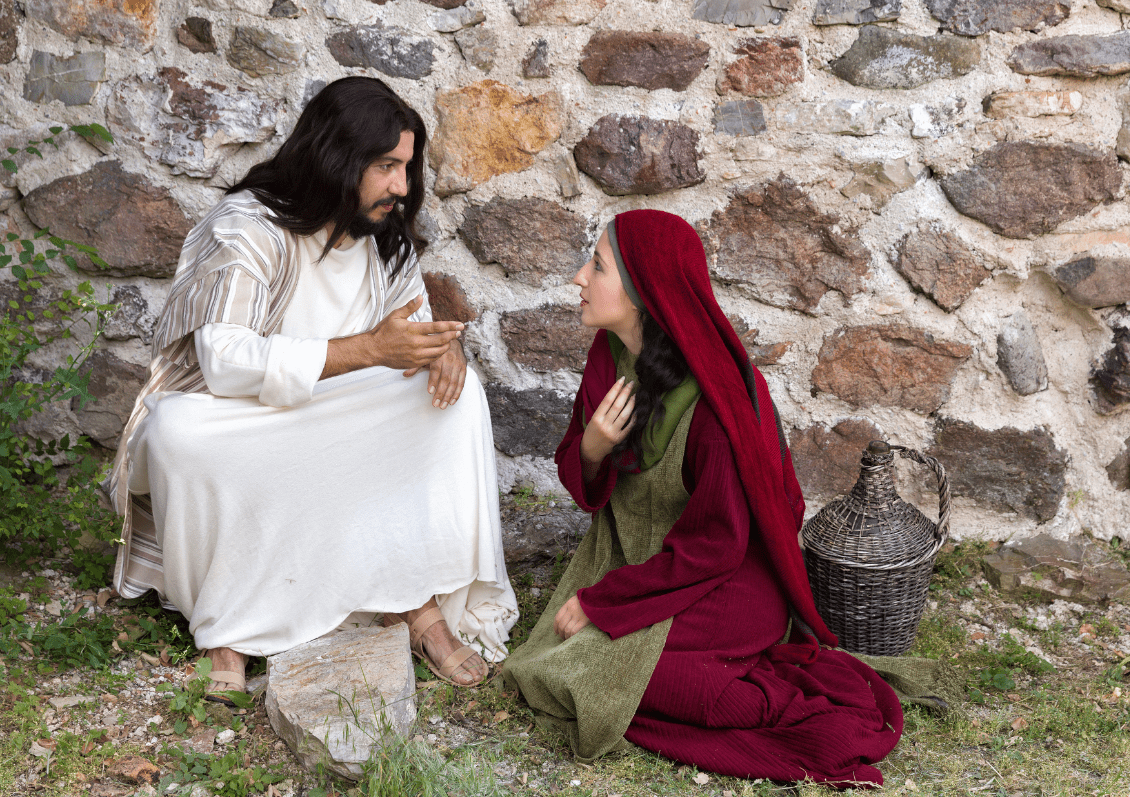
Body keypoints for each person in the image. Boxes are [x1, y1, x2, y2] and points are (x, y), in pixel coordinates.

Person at [104, 76, 518, 696]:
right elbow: (224, 363)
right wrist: (369, 350)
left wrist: (444, 350)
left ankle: (412, 602)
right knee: (176, 434)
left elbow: (408, 330)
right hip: (241, 418)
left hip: (339, 416)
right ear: (336, 156)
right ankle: (228, 630)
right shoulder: (246, 227)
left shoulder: (385, 234)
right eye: (385, 166)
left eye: (406, 167)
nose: (401, 187)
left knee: (457, 405)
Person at [502, 210, 904, 787]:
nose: (578, 278)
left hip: (725, 580)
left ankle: (761, 696)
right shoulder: (608, 357)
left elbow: (718, 546)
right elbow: (584, 487)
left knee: (609, 668)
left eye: (597, 266)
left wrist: (604, 602)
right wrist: (591, 449)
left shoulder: (719, 400)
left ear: (644, 291)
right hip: (636, 559)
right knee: (561, 664)